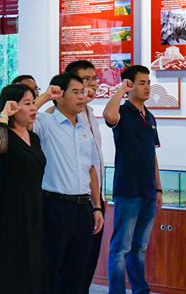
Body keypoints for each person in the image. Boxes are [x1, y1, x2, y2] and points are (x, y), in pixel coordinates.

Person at [33, 73, 104, 294]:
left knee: (78, 270)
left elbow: (91, 169)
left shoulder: (84, 127)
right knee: (51, 268)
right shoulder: (45, 122)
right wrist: (45, 96)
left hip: (83, 207)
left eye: (82, 92)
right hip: (55, 206)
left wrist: (97, 207)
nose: (82, 97)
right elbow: (23, 117)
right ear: (59, 95)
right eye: (75, 92)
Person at [102, 65, 162, 294]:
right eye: (141, 83)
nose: (147, 87)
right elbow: (108, 116)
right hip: (127, 190)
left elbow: (152, 154)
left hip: (148, 192)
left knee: (139, 248)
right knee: (121, 248)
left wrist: (158, 189)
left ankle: (140, 290)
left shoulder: (150, 116)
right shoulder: (122, 112)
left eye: (148, 83)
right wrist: (121, 90)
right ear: (130, 85)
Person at [0, 83, 46, 294]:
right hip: (8, 210)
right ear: (12, 107)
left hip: (33, 207)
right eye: (27, 104)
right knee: (6, 267)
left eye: (33, 103)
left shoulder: (33, 137)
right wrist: (3, 117)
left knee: (31, 266)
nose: (33, 108)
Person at [63, 60, 105, 293]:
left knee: (88, 262)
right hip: (70, 200)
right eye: (85, 79)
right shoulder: (59, 117)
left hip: (94, 198)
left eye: (94, 79)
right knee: (68, 267)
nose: (92, 84)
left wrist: (98, 202)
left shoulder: (91, 114)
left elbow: (93, 163)